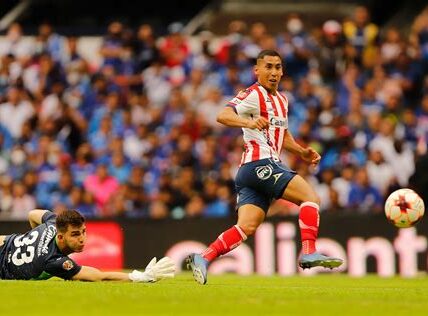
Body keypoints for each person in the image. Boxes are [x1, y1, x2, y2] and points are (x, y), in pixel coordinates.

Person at [187, 50, 343, 284]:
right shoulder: (252, 94)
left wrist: (301, 151)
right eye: (268, 67)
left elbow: (282, 134)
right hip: (261, 164)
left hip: (251, 171)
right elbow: (222, 115)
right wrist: (248, 121)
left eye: (278, 67)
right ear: (257, 70)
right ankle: (309, 251)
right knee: (310, 197)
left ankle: (203, 257)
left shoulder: (282, 100)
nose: (273, 72)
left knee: (247, 226)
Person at [0, 209, 175, 281]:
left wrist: (31, 237)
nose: (82, 238)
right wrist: (138, 276)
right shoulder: (53, 260)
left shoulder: (54, 222)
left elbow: (32, 214)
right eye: (75, 234)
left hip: (5, 242)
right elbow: (98, 276)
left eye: (83, 231)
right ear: (60, 237)